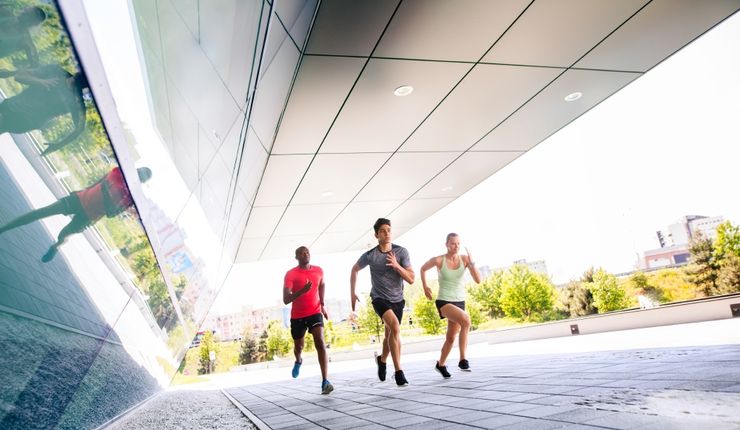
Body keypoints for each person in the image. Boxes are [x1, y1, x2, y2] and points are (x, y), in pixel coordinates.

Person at [0, 166, 151, 262]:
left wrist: (106, 193)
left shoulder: (130, 198)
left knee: (63, 235)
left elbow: (111, 214)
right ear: (134, 169)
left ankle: (56, 247)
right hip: (79, 199)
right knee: (41, 212)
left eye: (140, 177)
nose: (136, 175)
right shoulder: (117, 171)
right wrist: (81, 191)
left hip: (89, 216)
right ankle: (3, 228)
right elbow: (98, 182)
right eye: (137, 171)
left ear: (141, 182)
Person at [350, 218, 415, 386]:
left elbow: (411, 279)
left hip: (397, 299)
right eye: (383, 231)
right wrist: (352, 293)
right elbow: (354, 269)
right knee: (394, 327)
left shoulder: (401, 252)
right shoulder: (371, 255)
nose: (387, 233)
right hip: (379, 298)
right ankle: (399, 372)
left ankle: (382, 360)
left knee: (389, 335)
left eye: (389, 230)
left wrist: (396, 266)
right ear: (376, 235)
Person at [420, 233, 481, 378]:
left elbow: (478, 280)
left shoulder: (465, 259)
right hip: (444, 301)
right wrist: (425, 287)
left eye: (458, 243)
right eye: (453, 243)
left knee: (451, 338)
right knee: (466, 320)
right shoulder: (439, 260)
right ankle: (462, 360)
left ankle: (440, 364)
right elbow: (422, 269)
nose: (456, 246)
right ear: (447, 244)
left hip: (460, 301)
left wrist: (472, 263)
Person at [0, 64, 88, 154]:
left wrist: (58, 145)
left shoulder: (77, 101)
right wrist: (41, 82)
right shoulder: (57, 71)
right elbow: (19, 76)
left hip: (24, 121)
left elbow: (80, 128)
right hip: (11, 106)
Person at [283, 246, 333, 395]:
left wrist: (322, 304)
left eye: (307, 252)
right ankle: (298, 360)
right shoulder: (291, 274)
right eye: (301, 253)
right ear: (296, 257)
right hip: (297, 316)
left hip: (315, 312)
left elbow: (322, 284)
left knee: (320, 342)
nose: (305, 254)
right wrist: (302, 291)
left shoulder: (318, 271)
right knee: (299, 347)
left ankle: (325, 381)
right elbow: (286, 299)